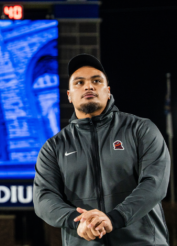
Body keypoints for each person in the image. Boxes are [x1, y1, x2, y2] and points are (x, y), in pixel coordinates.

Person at [33, 54, 170, 245]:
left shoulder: (141, 129)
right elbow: (44, 198)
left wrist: (114, 218)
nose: (88, 86)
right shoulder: (54, 147)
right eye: (79, 83)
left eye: (96, 81)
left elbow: (155, 184)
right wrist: (77, 221)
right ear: (69, 96)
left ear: (108, 91)